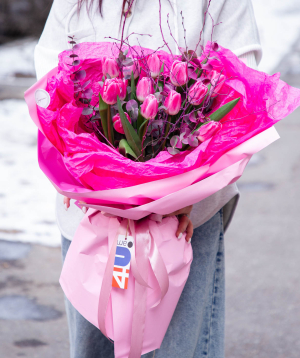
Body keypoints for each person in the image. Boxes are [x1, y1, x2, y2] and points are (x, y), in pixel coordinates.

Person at [34, 1, 261, 357]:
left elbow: (241, 77)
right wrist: (73, 164)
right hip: (91, 216)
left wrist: (187, 189)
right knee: (94, 347)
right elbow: (49, 66)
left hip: (185, 218)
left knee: (177, 348)